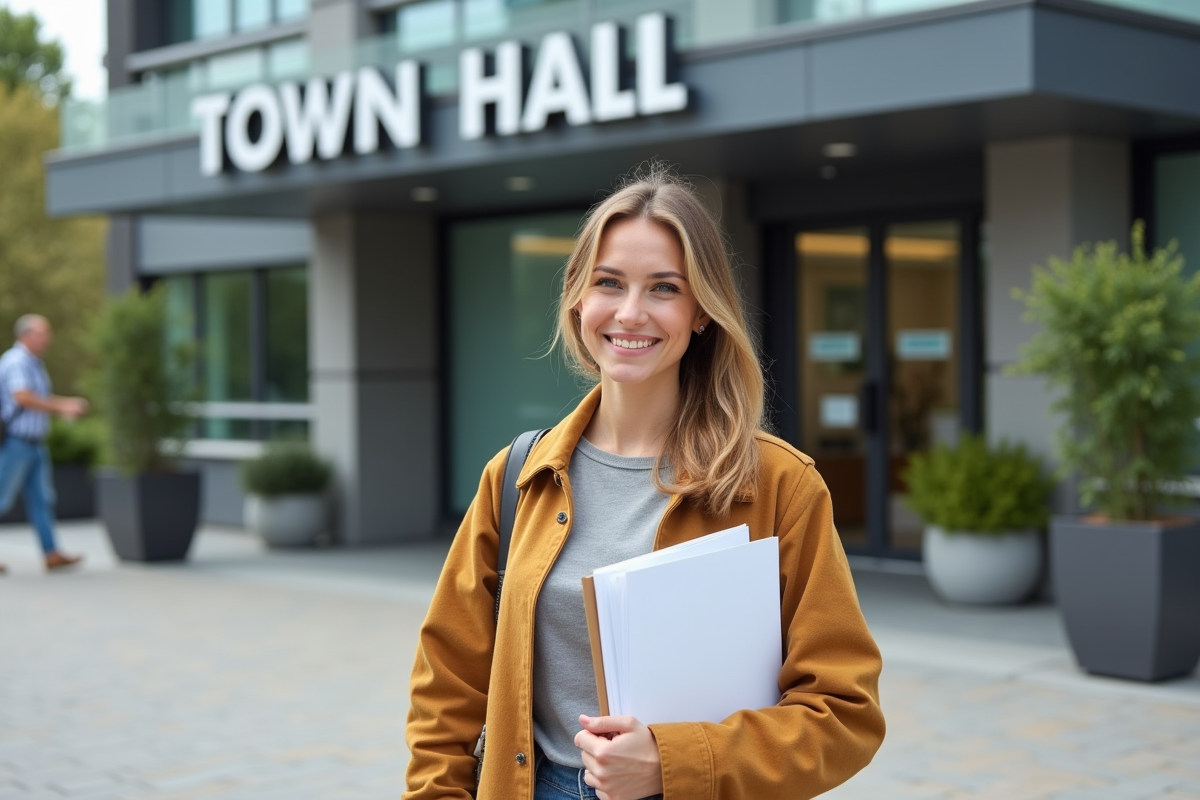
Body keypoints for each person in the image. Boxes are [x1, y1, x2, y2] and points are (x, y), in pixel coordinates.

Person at [404, 168, 885, 800]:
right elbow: (446, 687)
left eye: (664, 288)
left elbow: (844, 715)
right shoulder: (519, 476)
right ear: (578, 298)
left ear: (702, 312)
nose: (631, 313)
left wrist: (672, 761)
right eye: (609, 283)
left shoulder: (778, 485)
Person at [0, 314, 88, 574]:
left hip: (35, 445)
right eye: (42, 333)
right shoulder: (16, 361)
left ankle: (51, 553)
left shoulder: (35, 363)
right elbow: (23, 397)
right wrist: (63, 406)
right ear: (26, 335)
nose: (47, 338)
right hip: (15, 444)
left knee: (42, 499)